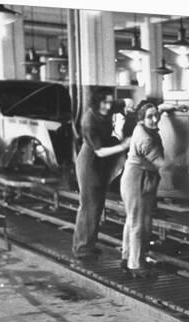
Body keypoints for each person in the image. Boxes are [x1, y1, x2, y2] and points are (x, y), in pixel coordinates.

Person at [72, 87, 130, 259]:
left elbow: (125, 103)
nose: (108, 106)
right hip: (90, 161)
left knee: (97, 205)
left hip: (102, 161)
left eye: (110, 102)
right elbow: (100, 151)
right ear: (96, 103)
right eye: (104, 103)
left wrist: (128, 106)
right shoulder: (88, 121)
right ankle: (81, 248)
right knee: (89, 205)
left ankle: (89, 244)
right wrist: (123, 145)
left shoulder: (108, 106)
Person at [120, 103, 164, 278]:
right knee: (139, 223)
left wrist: (170, 108)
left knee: (132, 220)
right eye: (150, 117)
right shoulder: (145, 138)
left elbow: (160, 109)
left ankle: (126, 256)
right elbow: (162, 164)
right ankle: (136, 264)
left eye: (156, 115)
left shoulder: (141, 129)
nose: (154, 120)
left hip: (135, 177)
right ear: (141, 119)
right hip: (137, 179)